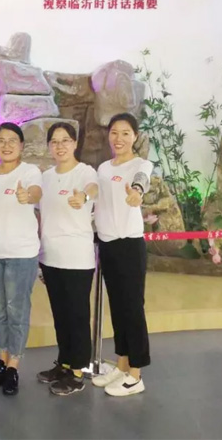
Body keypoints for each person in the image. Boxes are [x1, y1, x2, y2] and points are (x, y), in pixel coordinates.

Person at [0, 122, 42, 396]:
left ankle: (14, 365)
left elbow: (36, 192)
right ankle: (2, 360)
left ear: (21, 146)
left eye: (12, 140)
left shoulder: (29, 172)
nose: (6, 145)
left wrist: (28, 196)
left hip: (21, 254)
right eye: (1, 140)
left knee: (17, 311)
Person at [91, 112, 153, 397]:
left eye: (126, 133)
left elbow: (141, 181)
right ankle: (122, 365)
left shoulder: (141, 165)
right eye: (114, 132)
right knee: (117, 308)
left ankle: (136, 374)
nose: (119, 138)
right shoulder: (103, 168)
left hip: (129, 245)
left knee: (132, 309)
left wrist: (136, 193)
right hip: (108, 244)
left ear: (135, 136)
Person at [35, 122, 99, 396]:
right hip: (51, 256)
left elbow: (94, 188)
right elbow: (40, 215)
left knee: (77, 316)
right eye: (55, 141)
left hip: (77, 259)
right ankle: (63, 363)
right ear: (49, 146)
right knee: (60, 315)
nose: (60, 146)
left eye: (65, 140)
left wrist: (84, 196)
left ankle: (78, 371)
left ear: (74, 143)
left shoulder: (85, 172)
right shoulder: (45, 177)